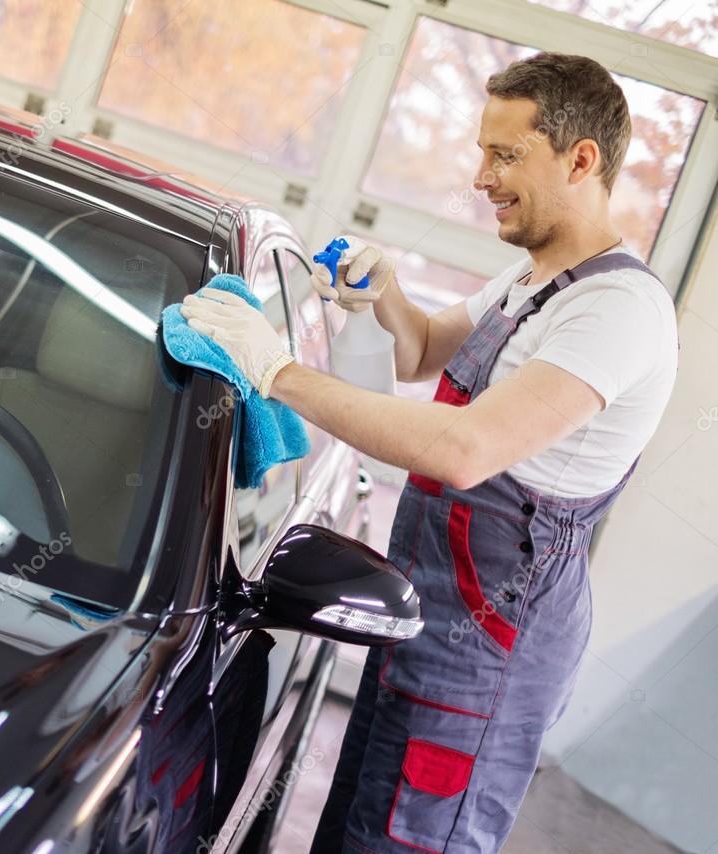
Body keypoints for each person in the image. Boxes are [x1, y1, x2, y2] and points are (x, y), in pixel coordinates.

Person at [178, 51, 679, 852]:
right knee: (353, 831)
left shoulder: (618, 310)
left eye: (505, 154)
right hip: (425, 622)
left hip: (488, 659)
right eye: (483, 151)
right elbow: (420, 355)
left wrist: (275, 371)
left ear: (580, 159)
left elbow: (464, 449)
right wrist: (386, 299)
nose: (481, 176)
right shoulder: (530, 280)